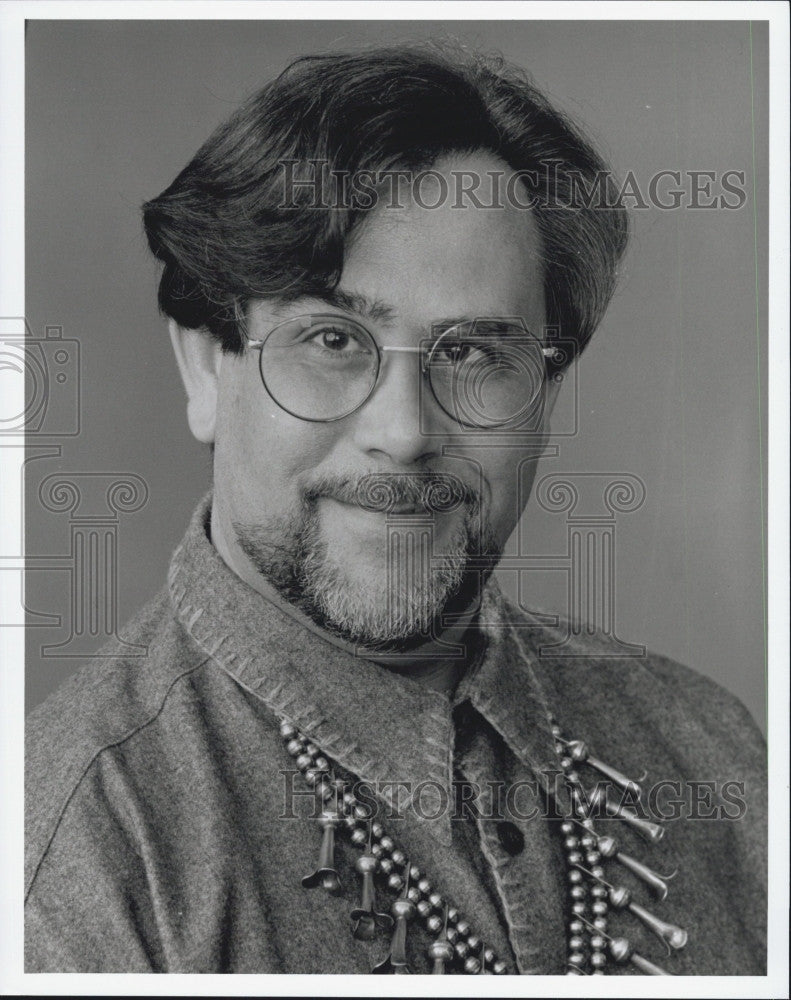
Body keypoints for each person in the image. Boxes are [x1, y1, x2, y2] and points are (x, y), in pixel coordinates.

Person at [25, 44, 766, 975]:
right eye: (332, 339)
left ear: (546, 392)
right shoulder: (74, 850)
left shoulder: (711, 748)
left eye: (475, 352)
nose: (405, 431)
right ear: (204, 366)